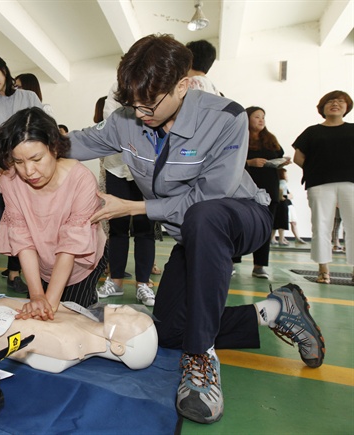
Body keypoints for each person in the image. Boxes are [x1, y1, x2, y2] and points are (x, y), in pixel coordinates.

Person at [67, 34, 325, 424]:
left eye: (148, 104)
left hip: (239, 217)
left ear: (183, 85)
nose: (139, 114)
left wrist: (133, 207)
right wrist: (27, 143)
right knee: (169, 331)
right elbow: (79, 142)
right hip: (192, 234)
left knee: (205, 218)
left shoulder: (226, 117)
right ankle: (275, 308)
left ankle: (201, 358)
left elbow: (208, 199)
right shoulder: (127, 118)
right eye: (132, 104)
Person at [0, 107, 107, 319]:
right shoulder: (9, 180)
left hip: (80, 260)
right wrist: (36, 295)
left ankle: (88, 299)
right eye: (18, 161)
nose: (28, 171)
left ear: (54, 148)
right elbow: (22, 238)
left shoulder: (81, 180)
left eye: (36, 159)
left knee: (69, 316)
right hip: (41, 257)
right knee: (36, 311)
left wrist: (50, 305)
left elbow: (71, 246)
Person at [0, 53, 42, 297]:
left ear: (4, 69)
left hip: (23, 176)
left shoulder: (29, 97)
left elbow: (38, 132)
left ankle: (15, 275)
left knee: (20, 226)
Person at [97, 83, 157, 306]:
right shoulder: (114, 90)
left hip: (145, 167)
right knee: (118, 227)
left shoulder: (152, 87)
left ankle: (143, 284)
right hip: (117, 167)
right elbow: (113, 125)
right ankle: (116, 282)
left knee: (145, 227)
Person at [293, 90, 354, 284]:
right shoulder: (312, 131)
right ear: (322, 107)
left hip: (350, 183)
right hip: (319, 184)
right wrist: (315, 170)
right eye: (330, 101)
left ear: (347, 107)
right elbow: (298, 157)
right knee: (321, 226)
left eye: (340, 101)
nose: (335, 104)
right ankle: (323, 269)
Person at [234, 106, 291, 278]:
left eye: (263, 117)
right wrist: (249, 162)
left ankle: (259, 265)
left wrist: (281, 163)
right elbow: (229, 160)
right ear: (247, 118)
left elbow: (279, 158)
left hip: (269, 187)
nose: (261, 120)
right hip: (244, 187)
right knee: (239, 224)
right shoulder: (238, 136)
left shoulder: (271, 139)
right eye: (257, 116)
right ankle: (231, 261)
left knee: (265, 227)